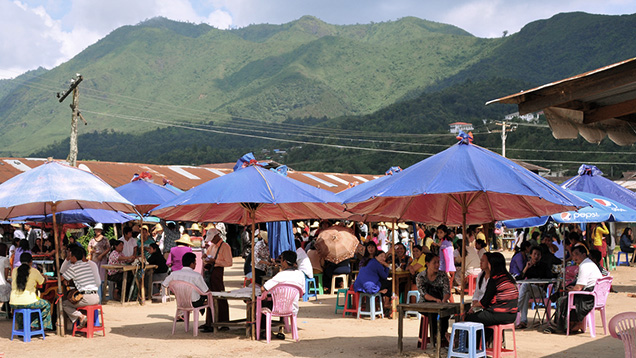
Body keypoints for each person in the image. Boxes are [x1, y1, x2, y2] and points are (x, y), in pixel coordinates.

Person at [545, 245, 603, 334]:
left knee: (562, 299)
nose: (574, 257)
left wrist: (571, 290)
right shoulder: (589, 263)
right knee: (565, 294)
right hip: (593, 295)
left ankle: (563, 325)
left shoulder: (585, 266)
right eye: (573, 255)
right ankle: (572, 324)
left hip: (588, 298)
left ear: (584, 254)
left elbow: (579, 287)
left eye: (577, 254)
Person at [465, 252, 519, 343]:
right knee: (481, 319)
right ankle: (481, 349)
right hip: (512, 315)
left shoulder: (494, 279)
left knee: (469, 319)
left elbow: (484, 302)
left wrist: (473, 308)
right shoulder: (509, 278)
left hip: (499, 314)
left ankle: (471, 350)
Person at [260, 250, 306, 340]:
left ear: (284, 262)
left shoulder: (281, 275)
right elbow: (302, 292)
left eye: (281, 260)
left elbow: (263, 288)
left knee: (262, 304)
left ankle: (264, 331)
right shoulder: (300, 274)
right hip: (292, 307)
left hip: (278, 307)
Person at [162, 252, 211, 325]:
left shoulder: (174, 274)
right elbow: (206, 290)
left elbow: (164, 284)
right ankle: (210, 321)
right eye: (195, 262)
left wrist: (175, 289)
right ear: (191, 264)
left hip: (181, 302)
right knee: (207, 296)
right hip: (194, 302)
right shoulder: (196, 276)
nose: (196, 264)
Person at [9, 252, 53, 331]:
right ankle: (34, 323)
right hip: (29, 301)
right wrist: (45, 277)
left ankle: (22, 328)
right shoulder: (34, 271)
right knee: (47, 305)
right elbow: (42, 282)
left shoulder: (14, 270)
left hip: (13, 302)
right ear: (31, 261)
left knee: (20, 309)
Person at [61, 246, 101, 330]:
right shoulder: (88, 265)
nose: (69, 258)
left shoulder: (73, 267)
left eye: (70, 256)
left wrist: (65, 279)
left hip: (86, 298)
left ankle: (81, 316)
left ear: (74, 257)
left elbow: (61, 277)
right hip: (96, 297)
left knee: (63, 304)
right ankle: (81, 317)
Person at [416, 253, 451, 347]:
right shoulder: (421, 277)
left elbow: (447, 291)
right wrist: (435, 300)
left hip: (440, 302)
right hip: (425, 303)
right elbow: (424, 294)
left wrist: (444, 299)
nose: (437, 265)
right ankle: (436, 336)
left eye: (438, 262)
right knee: (434, 313)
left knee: (445, 312)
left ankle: (442, 335)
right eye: (434, 262)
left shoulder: (443, 275)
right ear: (427, 263)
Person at [516, 246, 554, 329]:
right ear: (531, 255)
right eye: (534, 254)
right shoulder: (528, 265)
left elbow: (550, 278)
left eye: (538, 255)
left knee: (526, 285)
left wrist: (540, 283)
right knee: (526, 293)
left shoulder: (544, 266)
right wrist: (526, 268)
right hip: (530, 291)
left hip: (540, 291)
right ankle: (523, 321)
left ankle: (517, 307)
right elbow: (519, 279)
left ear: (540, 256)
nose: (536, 256)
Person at [202, 228, 232, 328]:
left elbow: (229, 262)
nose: (211, 240)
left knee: (220, 296)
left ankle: (223, 321)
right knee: (211, 296)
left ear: (217, 236)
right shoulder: (212, 246)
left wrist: (215, 261)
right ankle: (210, 322)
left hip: (218, 272)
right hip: (210, 272)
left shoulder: (225, 246)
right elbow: (207, 257)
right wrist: (205, 257)